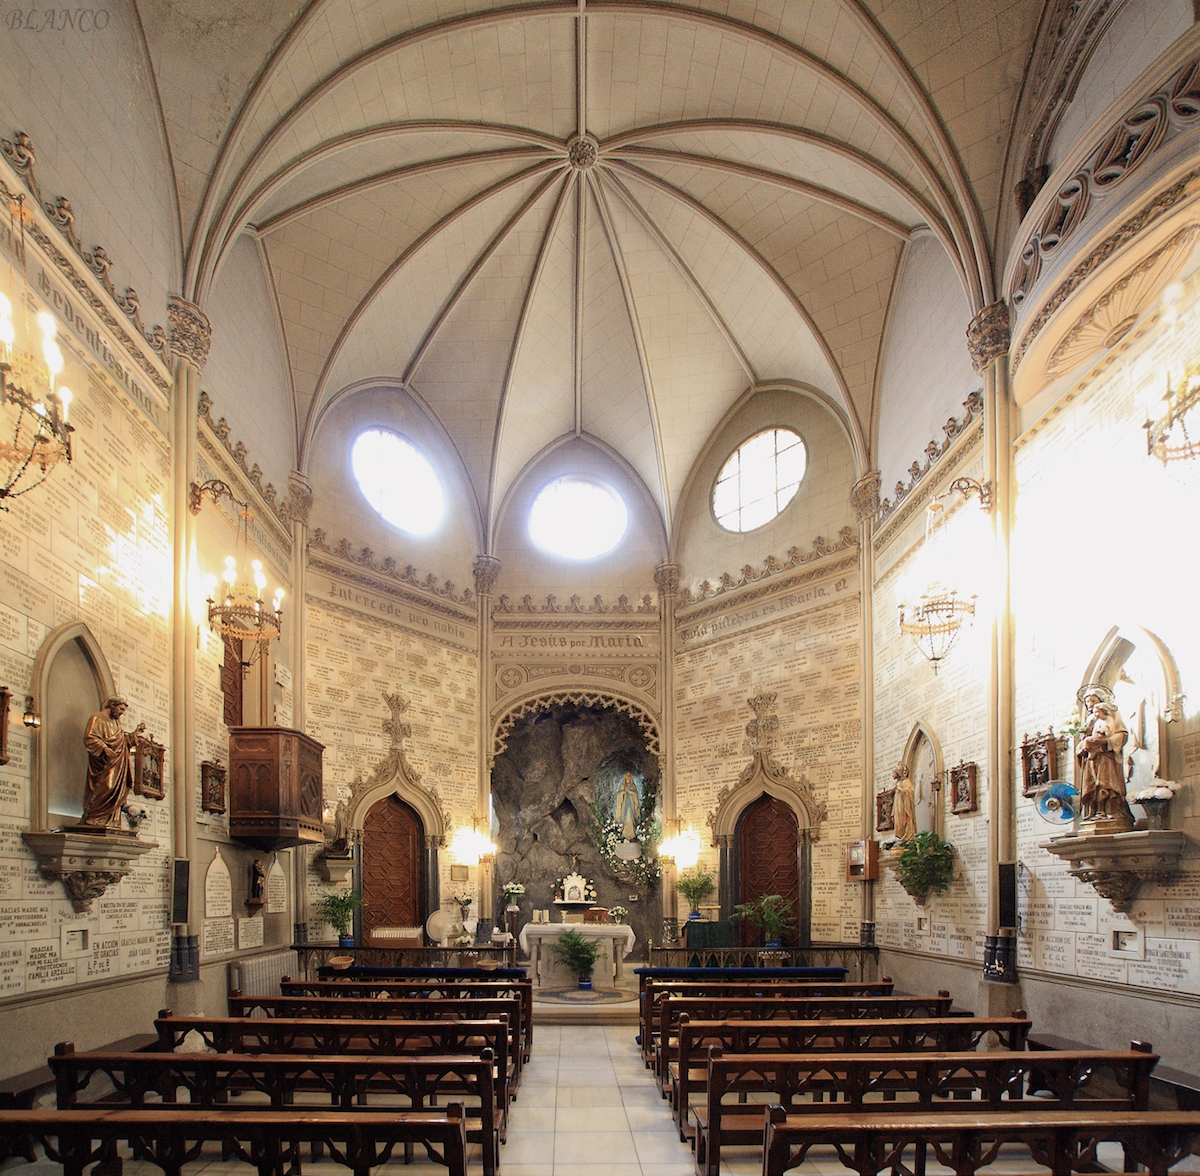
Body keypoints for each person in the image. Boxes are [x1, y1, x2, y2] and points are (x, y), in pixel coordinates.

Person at [80, 697, 144, 830]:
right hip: (103, 764)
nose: (121, 713)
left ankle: (111, 820)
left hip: (118, 764)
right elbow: (90, 737)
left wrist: (135, 734)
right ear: (112, 705)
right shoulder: (96, 719)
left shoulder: (116, 724)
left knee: (116, 790)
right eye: (120, 709)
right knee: (106, 787)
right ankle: (94, 818)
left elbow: (122, 742)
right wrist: (104, 749)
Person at [1076, 690, 1135, 824]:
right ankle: (1095, 811)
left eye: (1093, 701)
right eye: (1087, 702)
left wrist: (1105, 742)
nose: (1090, 705)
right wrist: (1083, 746)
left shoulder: (1113, 717)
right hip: (1092, 759)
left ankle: (1111, 811)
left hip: (1107, 758)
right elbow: (1083, 741)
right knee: (1092, 786)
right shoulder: (1089, 721)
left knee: (1107, 785)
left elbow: (1122, 735)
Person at [892, 764, 917, 842]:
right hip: (897, 807)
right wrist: (893, 812)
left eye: (894, 772)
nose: (892, 774)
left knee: (904, 822)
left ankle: (906, 837)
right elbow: (895, 799)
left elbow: (910, 791)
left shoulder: (906, 781)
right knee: (898, 824)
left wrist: (900, 790)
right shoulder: (898, 783)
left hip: (904, 806)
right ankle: (899, 838)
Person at [614, 771, 641, 841]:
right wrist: (623, 792)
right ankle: (624, 834)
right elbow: (619, 796)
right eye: (627, 776)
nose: (628, 777)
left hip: (631, 806)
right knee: (625, 819)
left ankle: (632, 834)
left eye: (629, 776)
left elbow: (636, 795)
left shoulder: (633, 786)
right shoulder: (622, 786)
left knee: (631, 819)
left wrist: (630, 792)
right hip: (624, 806)